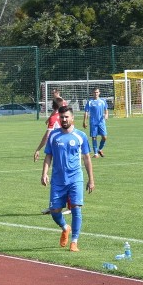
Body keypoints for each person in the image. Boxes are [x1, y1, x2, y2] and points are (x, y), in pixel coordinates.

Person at [41, 106, 95, 252]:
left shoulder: (80, 136)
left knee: (76, 208)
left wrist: (91, 179)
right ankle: (65, 227)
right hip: (58, 180)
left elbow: (86, 158)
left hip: (75, 178)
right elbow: (48, 156)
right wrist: (44, 173)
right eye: (62, 117)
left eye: (67, 117)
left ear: (72, 118)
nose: (64, 119)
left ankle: (74, 242)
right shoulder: (53, 136)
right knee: (54, 210)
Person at [35, 97, 66, 162]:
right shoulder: (67, 117)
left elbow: (47, 136)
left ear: (53, 106)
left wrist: (38, 149)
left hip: (60, 146)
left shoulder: (54, 118)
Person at [82, 88, 109, 158]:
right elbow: (86, 112)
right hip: (93, 122)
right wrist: (84, 121)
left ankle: (100, 149)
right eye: (94, 92)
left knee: (105, 137)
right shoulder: (90, 102)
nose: (96, 94)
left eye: (97, 92)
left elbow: (106, 110)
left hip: (101, 122)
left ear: (99, 93)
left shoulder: (103, 101)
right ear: (92, 93)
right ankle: (95, 153)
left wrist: (106, 115)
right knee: (94, 137)